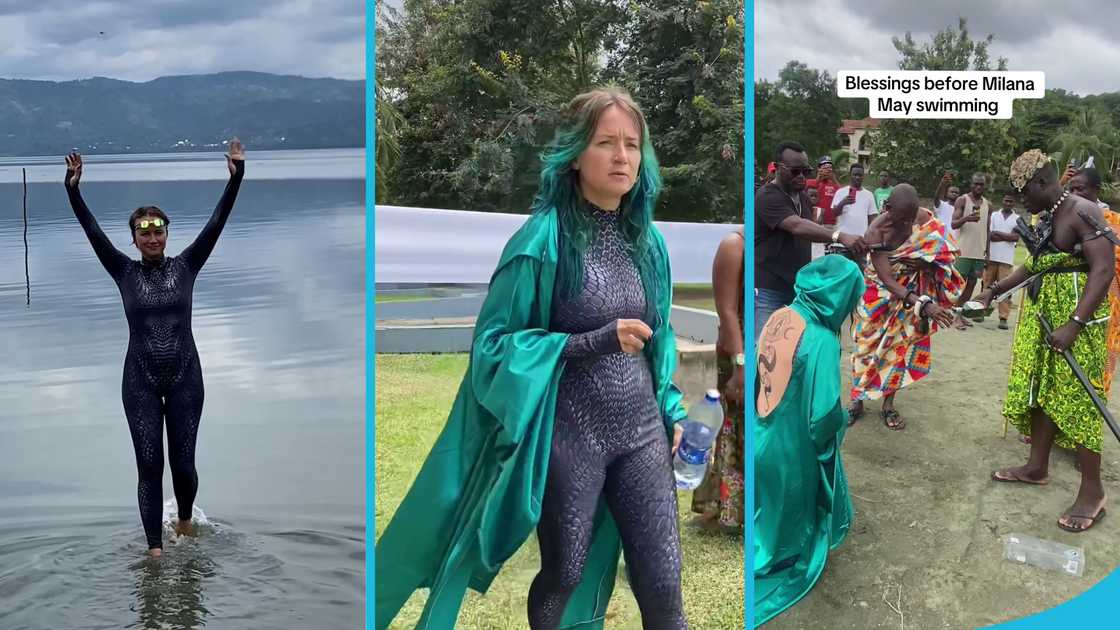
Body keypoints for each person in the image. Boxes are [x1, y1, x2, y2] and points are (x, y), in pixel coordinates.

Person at [375, 88, 690, 629]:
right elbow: (492, 349)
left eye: (633, 145)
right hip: (570, 433)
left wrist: (673, 407)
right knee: (563, 573)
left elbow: (657, 342)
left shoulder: (648, 243)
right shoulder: (542, 240)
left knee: (662, 581)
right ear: (573, 154)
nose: (622, 157)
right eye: (606, 143)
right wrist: (590, 341)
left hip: (640, 430)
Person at [64, 139, 246, 556]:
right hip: (139, 380)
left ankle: (183, 521)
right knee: (149, 466)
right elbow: (91, 231)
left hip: (186, 377)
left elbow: (216, 223)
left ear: (166, 233)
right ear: (132, 239)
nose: (152, 236)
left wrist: (237, 178)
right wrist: (73, 190)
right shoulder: (122, 271)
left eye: (158, 229)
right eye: (143, 231)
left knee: (183, 465)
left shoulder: (187, 265)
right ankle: (154, 552)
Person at [980, 150, 1114, 533]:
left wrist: (1074, 324)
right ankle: (1037, 467)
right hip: (1043, 317)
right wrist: (994, 290)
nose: (1020, 199)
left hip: (1077, 323)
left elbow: (1103, 270)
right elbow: (1038, 263)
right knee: (1041, 390)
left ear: (1042, 183)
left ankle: (1092, 492)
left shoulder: (1083, 210)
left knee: (1080, 399)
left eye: (1023, 191)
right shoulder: (1048, 214)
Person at [753, 255, 866, 626]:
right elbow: (824, 415)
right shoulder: (820, 339)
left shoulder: (780, 315)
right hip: (792, 450)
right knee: (787, 531)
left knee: (765, 511)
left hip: (762, 433)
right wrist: (833, 438)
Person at [848, 185, 962, 429]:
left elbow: (945, 251)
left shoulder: (923, 219)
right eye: (902, 220)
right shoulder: (875, 231)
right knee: (865, 345)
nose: (908, 225)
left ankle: (888, 404)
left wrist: (927, 265)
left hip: (910, 290)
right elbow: (888, 280)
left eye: (911, 219)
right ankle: (857, 399)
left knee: (898, 347)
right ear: (887, 208)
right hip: (878, 292)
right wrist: (923, 304)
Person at [755, 142, 868, 340]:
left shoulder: (804, 199)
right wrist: (839, 235)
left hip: (797, 291)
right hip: (767, 290)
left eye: (805, 171)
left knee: (792, 354)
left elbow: (810, 233)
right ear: (778, 168)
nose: (801, 176)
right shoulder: (767, 196)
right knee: (763, 353)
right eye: (795, 171)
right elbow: (796, 226)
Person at [692, 228, 745, 531]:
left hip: (760, 347)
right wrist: (740, 365)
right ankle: (729, 510)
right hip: (736, 350)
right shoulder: (733, 246)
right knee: (735, 423)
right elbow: (726, 312)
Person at [1066, 166, 1120, 392]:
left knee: (1097, 360)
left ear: (1097, 190)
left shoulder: (1112, 221)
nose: (1076, 194)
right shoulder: (1062, 219)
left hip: (1107, 301)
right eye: (1072, 189)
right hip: (1068, 297)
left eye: (1081, 189)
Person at [951, 173, 993, 330]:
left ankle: (960, 314)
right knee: (958, 286)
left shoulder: (988, 205)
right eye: (976, 184)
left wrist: (987, 252)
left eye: (981, 185)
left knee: (971, 285)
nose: (978, 187)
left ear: (985, 186)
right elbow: (953, 224)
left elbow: (988, 230)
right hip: (963, 251)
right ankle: (954, 316)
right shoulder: (962, 200)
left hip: (978, 253)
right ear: (971, 184)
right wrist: (966, 218)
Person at [986, 194, 1021, 330]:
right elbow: (990, 236)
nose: (1008, 203)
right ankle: (980, 311)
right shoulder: (994, 215)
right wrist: (1007, 236)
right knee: (987, 286)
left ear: (1014, 203)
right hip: (992, 256)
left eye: (1010, 201)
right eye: (1006, 200)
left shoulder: (1017, 219)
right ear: (1002, 201)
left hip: (1007, 259)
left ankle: (1003, 318)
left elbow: (1016, 238)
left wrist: (998, 234)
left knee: (1006, 289)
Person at [832, 163, 878, 240]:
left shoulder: (869, 195)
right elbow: (835, 213)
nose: (857, 177)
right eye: (855, 175)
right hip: (843, 238)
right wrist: (843, 203)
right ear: (850, 175)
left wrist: (869, 237)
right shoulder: (840, 192)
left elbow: (872, 219)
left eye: (860, 175)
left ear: (863, 177)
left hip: (861, 239)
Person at [806, 155, 841, 227]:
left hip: (832, 223)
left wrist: (834, 179)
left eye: (830, 168)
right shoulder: (811, 182)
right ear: (818, 169)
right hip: (815, 222)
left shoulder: (834, 184)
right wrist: (819, 178)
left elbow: (843, 194)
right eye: (824, 168)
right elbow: (808, 191)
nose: (828, 170)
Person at [932, 171, 960, 237]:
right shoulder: (942, 205)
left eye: (956, 193)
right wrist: (942, 183)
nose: (954, 194)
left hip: (956, 241)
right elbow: (936, 197)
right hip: (943, 239)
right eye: (952, 192)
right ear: (947, 193)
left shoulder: (961, 209)